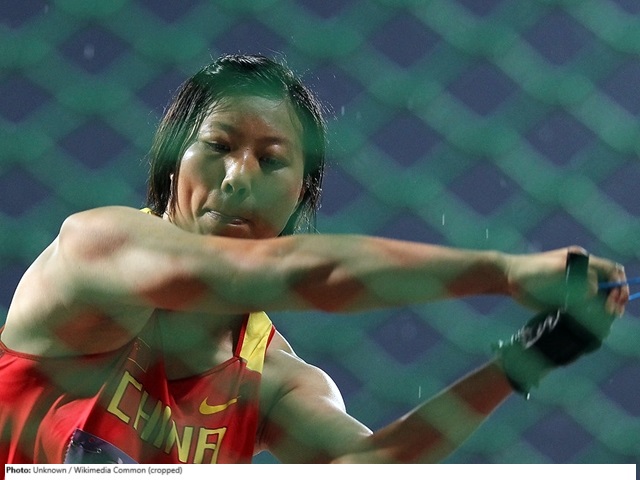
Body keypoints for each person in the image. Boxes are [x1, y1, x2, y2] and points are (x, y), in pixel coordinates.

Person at [0, 54, 629, 464]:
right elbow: (286, 274)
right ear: (171, 164)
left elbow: (368, 468)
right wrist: (506, 273)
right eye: (218, 145)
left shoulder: (272, 377)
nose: (238, 178)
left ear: (301, 194)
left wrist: (521, 362)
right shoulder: (97, 251)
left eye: (271, 159)